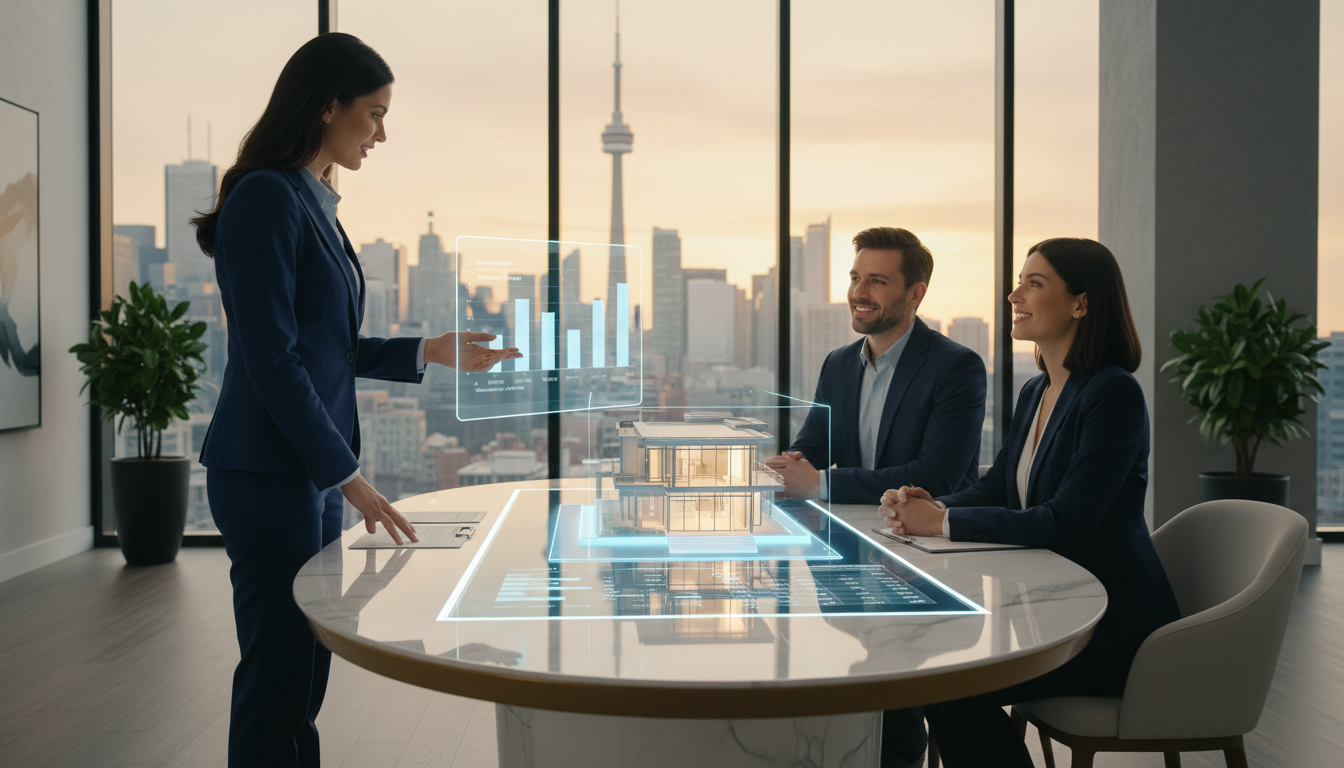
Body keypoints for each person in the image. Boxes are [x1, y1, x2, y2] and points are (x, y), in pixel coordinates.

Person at [190, 34, 519, 768]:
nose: (381, 133)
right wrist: (348, 475)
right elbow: (272, 360)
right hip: (270, 470)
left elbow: (327, 347)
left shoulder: (314, 201)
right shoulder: (266, 197)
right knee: (277, 669)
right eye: (373, 114)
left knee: (306, 670)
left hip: (307, 472)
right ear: (327, 105)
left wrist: (428, 350)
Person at [881, 238, 1182, 768]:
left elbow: (1067, 521)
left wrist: (945, 522)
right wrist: (929, 502)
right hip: (1049, 604)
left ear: (1081, 304)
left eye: (1034, 283)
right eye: (1020, 280)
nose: (1014, 293)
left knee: (953, 681)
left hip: (1106, 624)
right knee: (934, 673)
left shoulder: (1113, 394)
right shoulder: (1036, 391)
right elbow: (1000, 485)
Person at [767, 226, 986, 505]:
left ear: (915, 294)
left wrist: (820, 483)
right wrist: (783, 470)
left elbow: (936, 476)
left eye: (877, 281)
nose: (859, 293)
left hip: (928, 537)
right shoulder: (838, 364)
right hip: (851, 531)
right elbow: (812, 449)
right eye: (855, 278)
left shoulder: (956, 367)